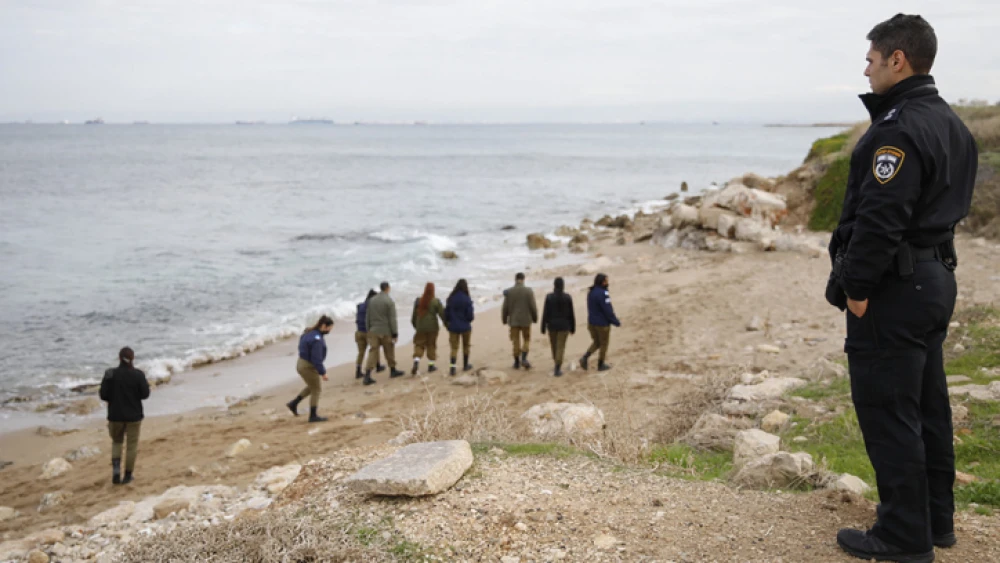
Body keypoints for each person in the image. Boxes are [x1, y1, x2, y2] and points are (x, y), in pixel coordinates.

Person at [825, 14, 977, 562]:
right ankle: (936, 522)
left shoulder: (898, 128)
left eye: (870, 59)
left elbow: (881, 218)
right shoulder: (950, 123)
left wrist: (857, 287)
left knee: (889, 410)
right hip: (934, 279)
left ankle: (902, 537)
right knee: (927, 406)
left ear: (898, 59)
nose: (864, 69)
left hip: (897, 285)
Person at [99, 347, 150, 485]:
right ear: (132, 358)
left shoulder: (110, 374)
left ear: (119, 358)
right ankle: (128, 475)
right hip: (134, 415)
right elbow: (145, 394)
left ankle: (116, 470)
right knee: (131, 446)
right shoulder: (138, 374)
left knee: (117, 442)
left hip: (115, 415)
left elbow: (103, 395)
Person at [286, 315, 334, 422]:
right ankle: (313, 415)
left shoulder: (308, 333)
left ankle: (293, 403)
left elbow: (301, 347)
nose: (329, 331)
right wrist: (323, 373)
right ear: (323, 326)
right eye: (329, 328)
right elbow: (316, 359)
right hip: (308, 366)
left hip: (300, 363)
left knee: (312, 386)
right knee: (316, 389)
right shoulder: (317, 340)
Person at [365, 281, 405, 383]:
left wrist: (368, 329)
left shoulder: (372, 300)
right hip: (385, 330)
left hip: (373, 330)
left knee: (373, 352)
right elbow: (392, 319)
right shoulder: (389, 301)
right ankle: (393, 370)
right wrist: (395, 333)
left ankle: (367, 375)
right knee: (389, 351)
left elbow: (367, 317)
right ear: (387, 288)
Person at [581, 273, 620, 371]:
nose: (607, 283)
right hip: (602, 324)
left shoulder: (591, 292)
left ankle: (585, 357)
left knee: (596, 342)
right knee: (603, 344)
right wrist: (615, 321)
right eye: (606, 281)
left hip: (591, 322)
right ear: (602, 282)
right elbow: (607, 309)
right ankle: (601, 364)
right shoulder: (603, 293)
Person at [501, 272, 538, 369]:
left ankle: (517, 362)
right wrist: (535, 317)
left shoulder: (509, 292)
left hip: (514, 321)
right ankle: (524, 358)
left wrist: (504, 319)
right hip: (526, 320)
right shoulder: (528, 291)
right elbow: (532, 306)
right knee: (526, 339)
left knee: (515, 341)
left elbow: (505, 308)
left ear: (515, 279)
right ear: (523, 279)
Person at [540, 277, 575, 377]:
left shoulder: (549, 297)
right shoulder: (567, 297)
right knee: (560, 346)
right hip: (564, 326)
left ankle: (557, 365)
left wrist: (543, 326)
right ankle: (557, 366)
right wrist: (573, 327)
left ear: (554, 285)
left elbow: (545, 313)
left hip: (552, 325)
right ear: (563, 285)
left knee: (554, 346)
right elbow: (571, 314)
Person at [411, 282, 447, 375]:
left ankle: (416, 361)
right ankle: (431, 365)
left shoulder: (418, 301)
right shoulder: (435, 301)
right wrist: (447, 325)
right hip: (432, 327)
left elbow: (414, 317)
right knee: (431, 345)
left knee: (419, 344)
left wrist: (416, 326)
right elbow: (442, 314)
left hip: (420, 327)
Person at [444, 278, 475, 376]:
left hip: (453, 326)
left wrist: (448, 323)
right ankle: (465, 365)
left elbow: (446, 313)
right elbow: (470, 316)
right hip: (465, 326)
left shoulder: (451, 298)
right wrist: (467, 320)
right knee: (466, 346)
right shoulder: (467, 299)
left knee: (454, 348)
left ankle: (452, 368)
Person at [355, 289, 384, 379]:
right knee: (375, 348)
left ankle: (358, 371)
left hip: (358, 332)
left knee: (361, 353)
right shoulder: (372, 307)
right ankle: (377, 366)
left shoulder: (360, 306)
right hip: (368, 332)